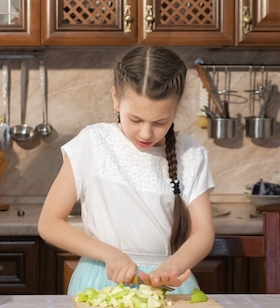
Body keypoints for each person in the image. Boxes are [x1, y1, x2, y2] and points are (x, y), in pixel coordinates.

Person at [38, 46, 215, 295]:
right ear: (116, 99)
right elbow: (49, 224)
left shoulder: (191, 154)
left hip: (166, 285)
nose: (145, 133)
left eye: (160, 122)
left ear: (176, 109)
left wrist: (173, 267)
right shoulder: (92, 143)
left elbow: (203, 232)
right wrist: (109, 254)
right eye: (135, 119)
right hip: (101, 279)